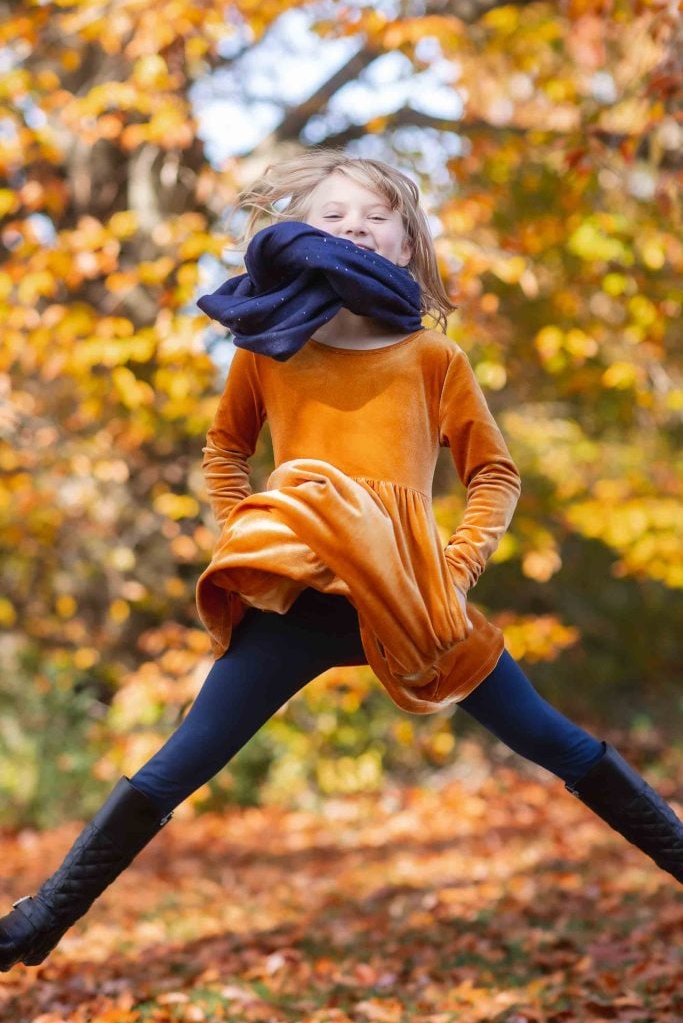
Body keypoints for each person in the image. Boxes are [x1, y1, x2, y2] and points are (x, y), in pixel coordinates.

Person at [1, 150, 681, 973]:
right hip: (293, 603)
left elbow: (492, 472)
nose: (353, 228)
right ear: (300, 231)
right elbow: (224, 450)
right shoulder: (268, 348)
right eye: (332, 216)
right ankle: (34, 925)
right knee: (175, 766)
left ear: (404, 244)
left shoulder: (434, 359)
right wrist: (246, 535)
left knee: (556, 741)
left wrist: (457, 566)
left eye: (374, 217)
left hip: (412, 604)